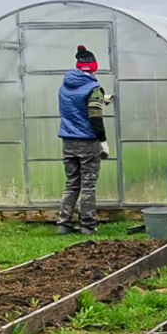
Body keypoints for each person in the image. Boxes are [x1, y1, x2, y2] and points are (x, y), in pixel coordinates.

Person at [56, 45, 109, 235]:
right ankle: (87, 225)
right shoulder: (93, 88)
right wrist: (102, 140)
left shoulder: (65, 85)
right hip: (87, 143)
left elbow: (75, 106)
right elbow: (94, 116)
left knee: (71, 184)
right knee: (88, 186)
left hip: (68, 142)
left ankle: (64, 224)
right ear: (93, 68)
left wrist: (103, 98)